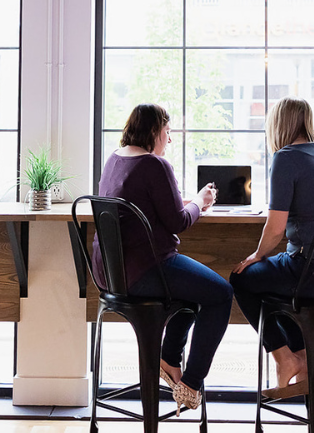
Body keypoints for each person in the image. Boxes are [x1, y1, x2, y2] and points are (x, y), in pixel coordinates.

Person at [95, 103, 232, 412]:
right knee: (221, 294)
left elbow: (146, 206)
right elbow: (178, 222)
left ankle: (169, 360)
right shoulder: (155, 165)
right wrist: (200, 201)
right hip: (147, 270)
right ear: (155, 131)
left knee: (195, 292)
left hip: (111, 274)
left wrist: (187, 202)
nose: (169, 140)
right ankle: (191, 383)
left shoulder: (115, 160)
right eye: (168, 132)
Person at [229, 96, 314, 399]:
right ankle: (307, 362)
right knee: (272, 285)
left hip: (313, 271)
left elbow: (276, 227)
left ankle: (286, 358)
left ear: (278, 124)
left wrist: (257, 255)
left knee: (243, 279)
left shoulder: (286, 157)